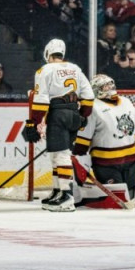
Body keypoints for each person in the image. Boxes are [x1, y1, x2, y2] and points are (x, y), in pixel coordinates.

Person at [23, 39, 94, 213]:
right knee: (58, 154)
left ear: (47, 53)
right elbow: (89, 97)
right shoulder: (76, 69)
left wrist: (33, 122)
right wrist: (83, 116)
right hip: (73, 114)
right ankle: (57, 191)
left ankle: (67, 196)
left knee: (61, 155)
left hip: (58, 114)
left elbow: (40, 101)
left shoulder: (45, 70)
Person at [72, 74, 135, 209]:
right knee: (116, 204)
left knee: (131, 200)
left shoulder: (126, 101)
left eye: (110, 84)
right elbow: (84, 138)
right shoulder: (92, 107)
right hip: (106, 164)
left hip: (130, 161)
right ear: (96, 89)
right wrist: (78, 156)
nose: (109, 88)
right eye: (105, 86)